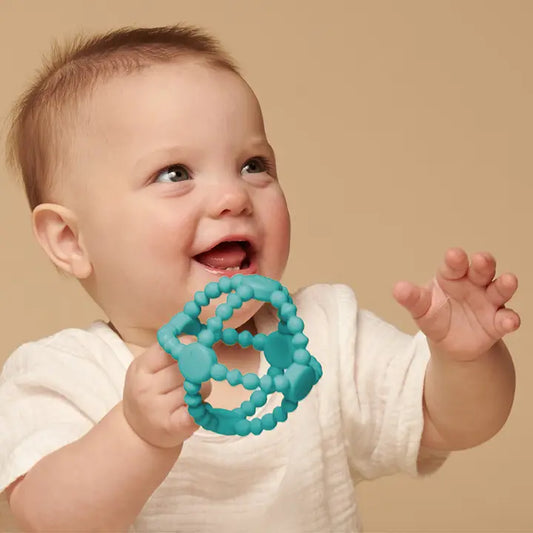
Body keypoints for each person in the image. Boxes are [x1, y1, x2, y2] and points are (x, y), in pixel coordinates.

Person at [0, 25, 519, 532]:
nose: (234, 196)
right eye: (175, 173)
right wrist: (136, 436)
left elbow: (448, 420)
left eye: (253, 165)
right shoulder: (62, 375)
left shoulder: (323, 335)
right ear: (70, 240)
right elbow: (46, 517)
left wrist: (466, 360)